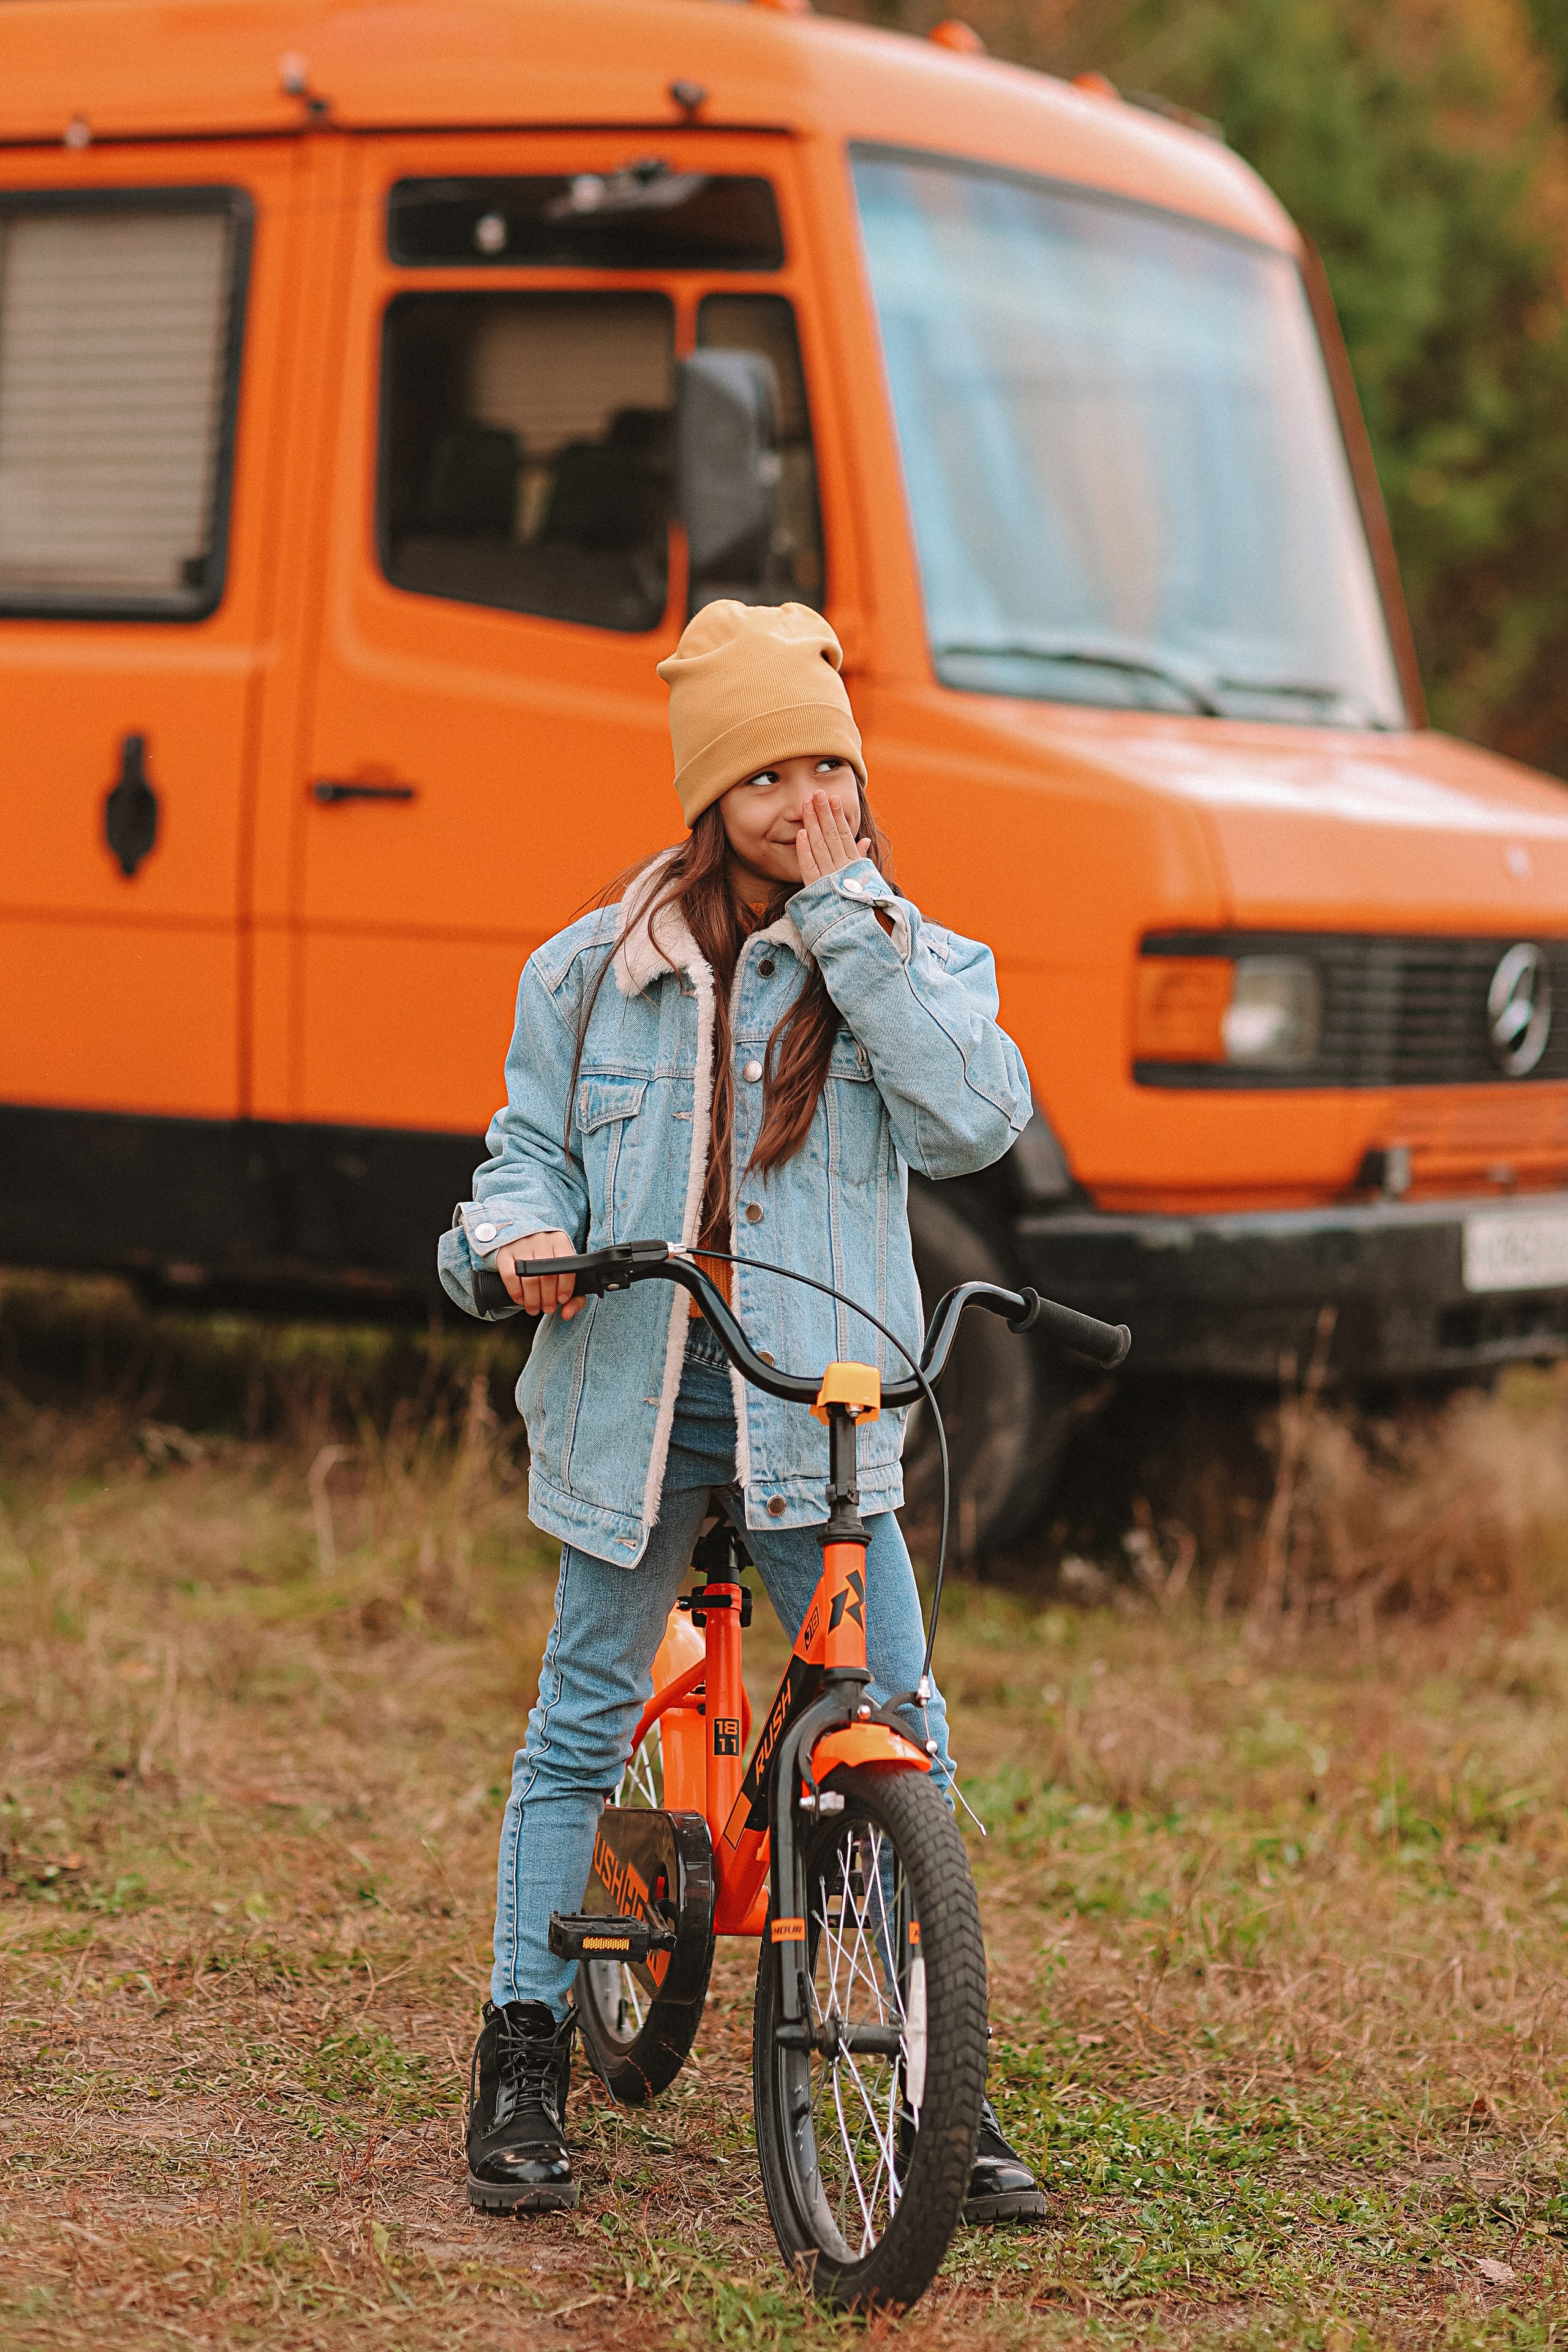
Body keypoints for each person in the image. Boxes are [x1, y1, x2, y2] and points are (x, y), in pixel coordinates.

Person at [438, 600, 1044, 2223]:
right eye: (762, 772)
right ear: (706, 793)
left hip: (822, 1409)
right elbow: (521, 1160)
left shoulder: (903, 954)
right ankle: (521, 2051)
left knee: (897, 1722)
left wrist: (849, 920)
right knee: (580, 1718)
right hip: (643, 1382)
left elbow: (980, 1117)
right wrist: (523, 1243)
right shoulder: (590, 971)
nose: (798, 799)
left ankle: (936, 2084)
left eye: (823, 766)